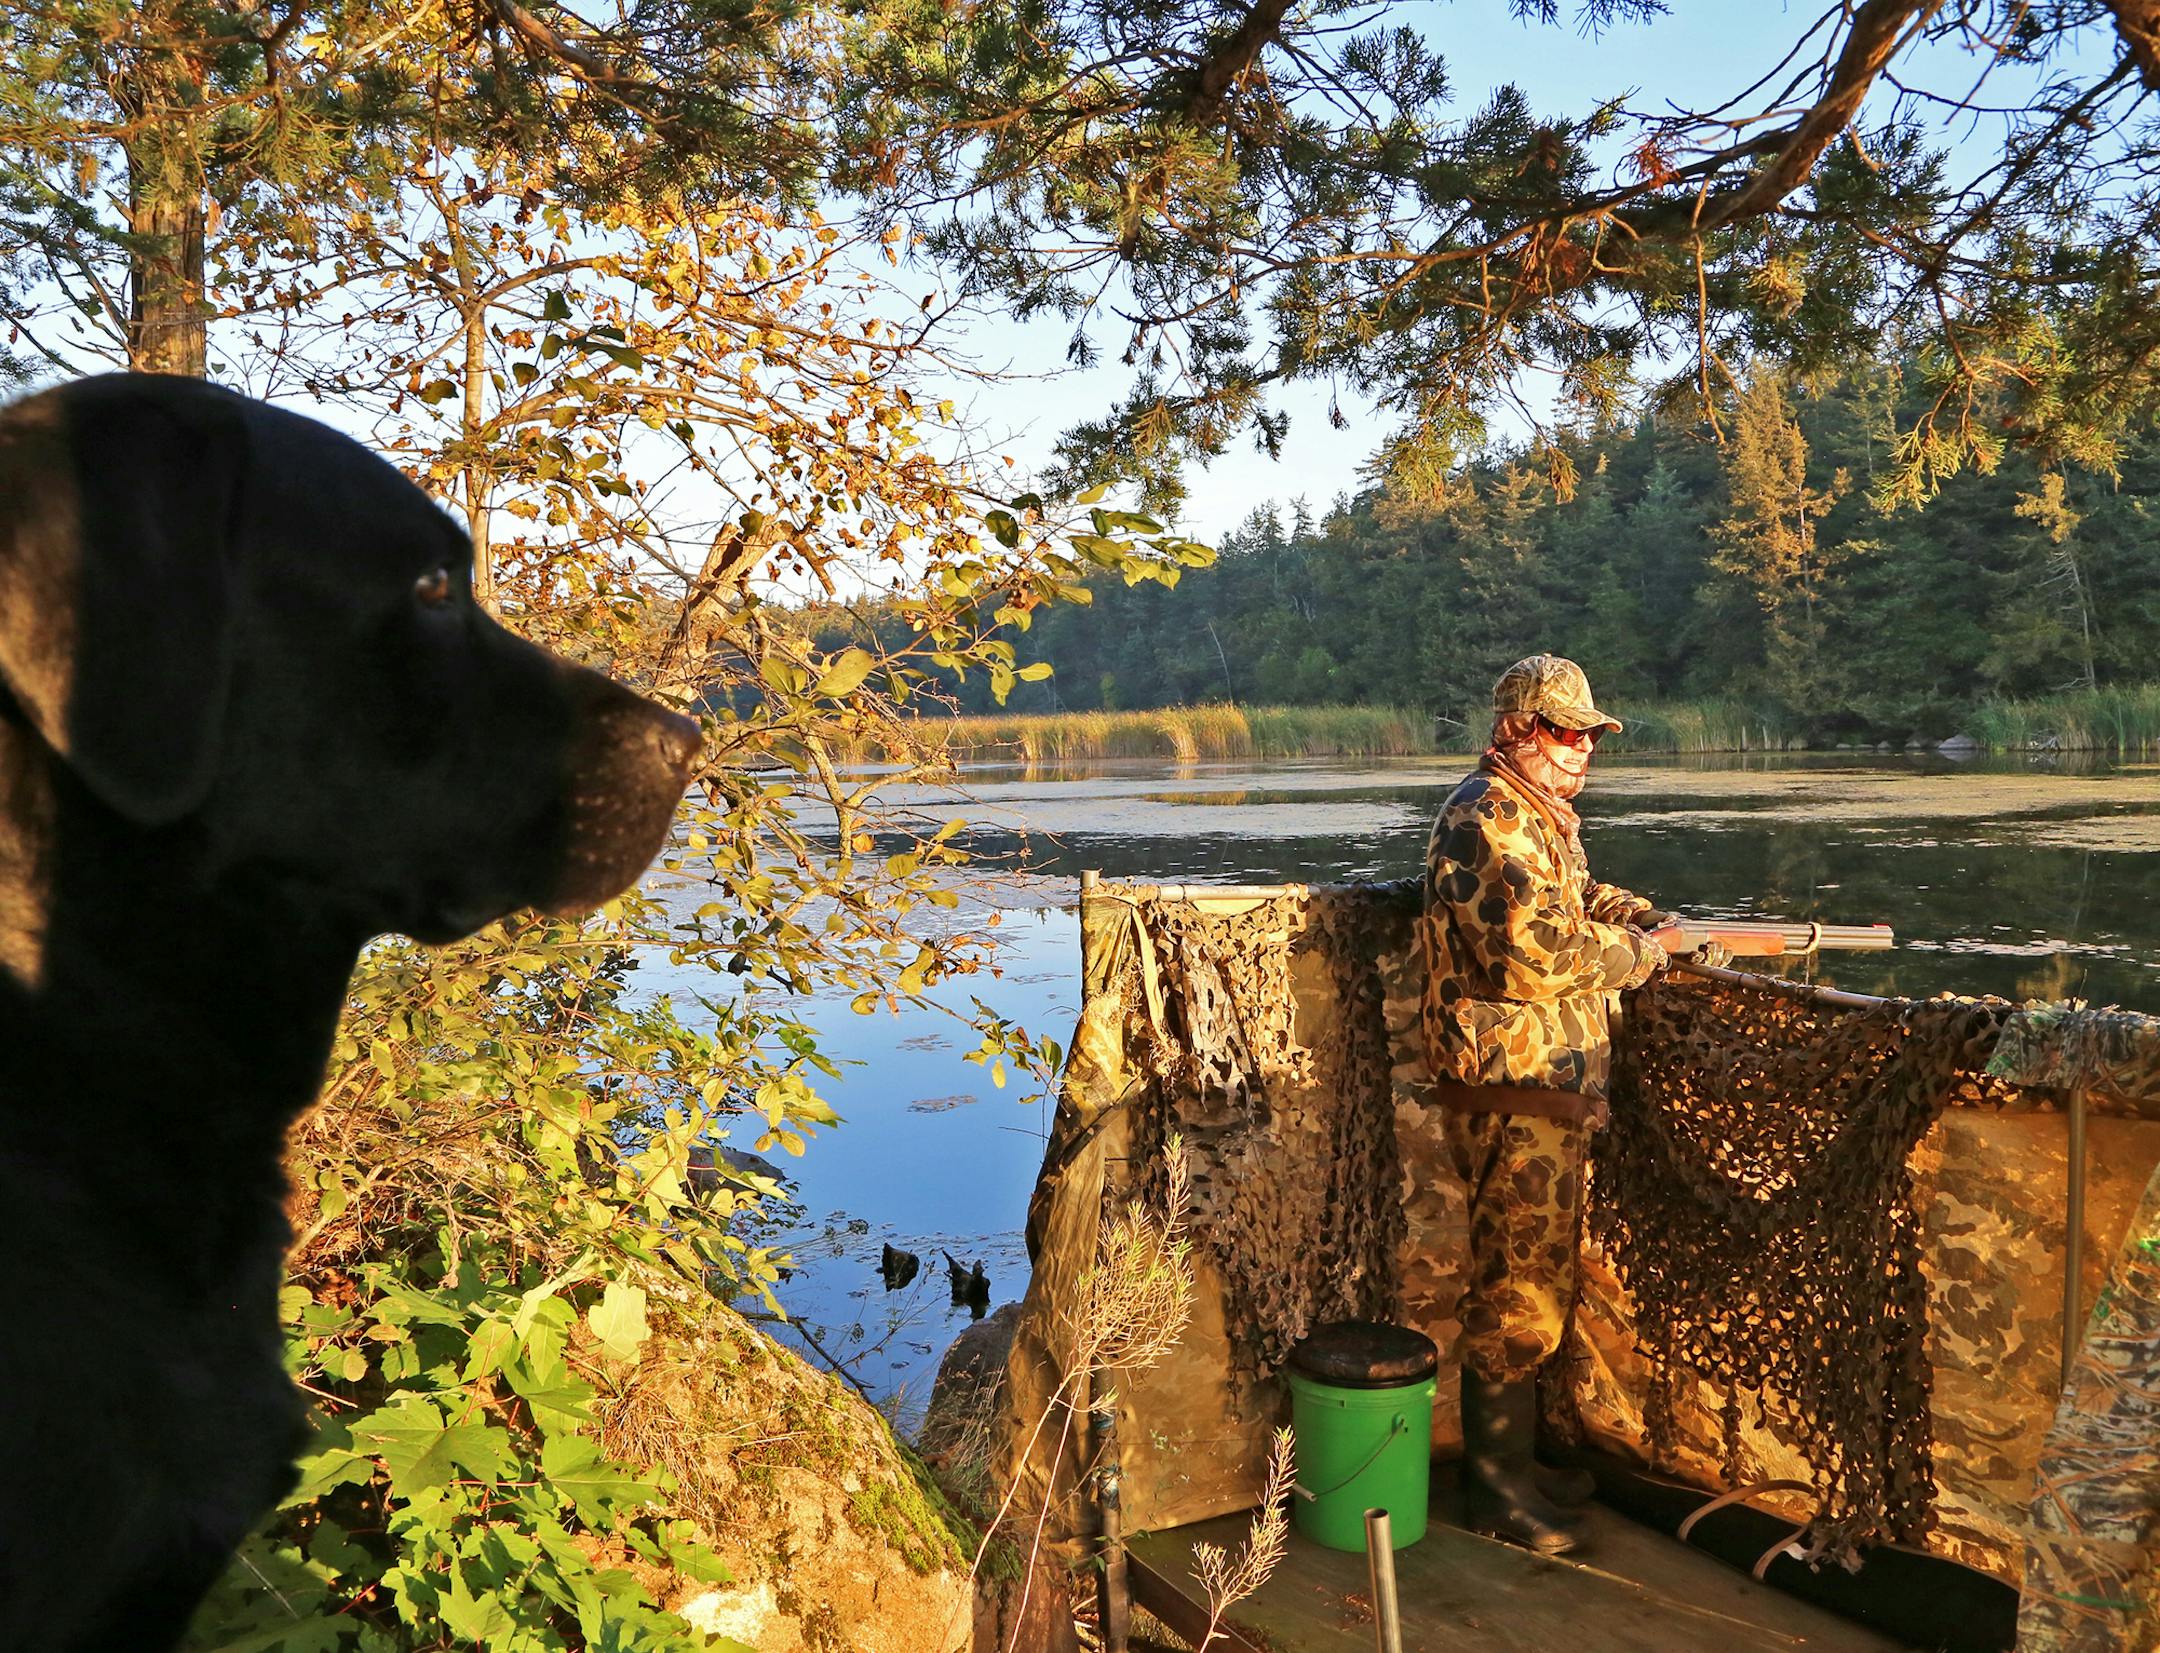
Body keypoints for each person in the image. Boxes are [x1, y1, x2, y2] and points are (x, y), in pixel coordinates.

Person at [1418, 654, 1688, 1556]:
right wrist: (1642, 955)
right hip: (1511, 1088)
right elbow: (1533, 956)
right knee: (1517, 1284)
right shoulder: (1485, 817)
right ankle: (1495, 1494)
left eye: (1591, 736)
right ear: (1516, 731)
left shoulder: (1539, 818)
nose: (1582, 751)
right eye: (1566, 733)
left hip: (1547, 1088)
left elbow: (1573, 902)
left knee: (1541, 1274)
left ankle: (1520, 1464)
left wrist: (1644, 915)